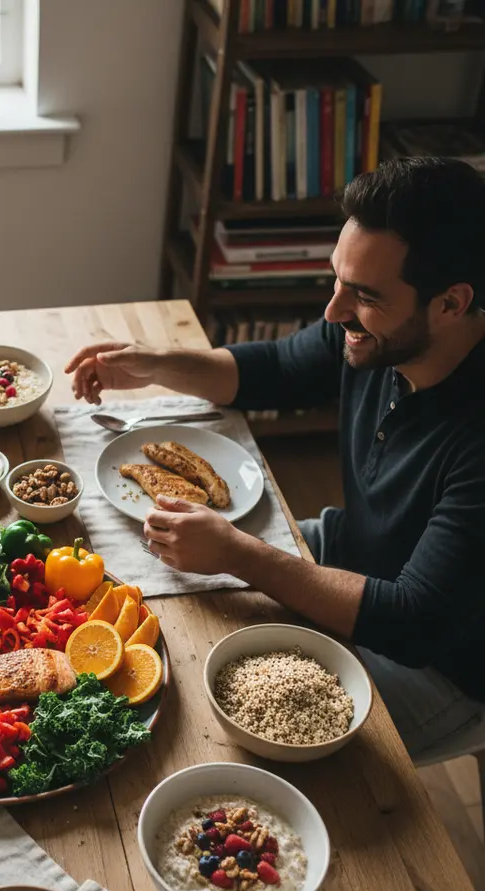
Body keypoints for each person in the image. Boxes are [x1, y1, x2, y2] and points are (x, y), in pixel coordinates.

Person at [66, 157, 485, 761]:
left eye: (363, 295)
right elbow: (279, 369)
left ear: (451, 303)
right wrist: (155, 363)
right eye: (337, 280)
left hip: (442, 666)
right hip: (351, 558)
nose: (334, 311)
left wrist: (239, 554)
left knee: (215, 724)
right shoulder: (374, 333)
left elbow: (414, 621)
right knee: (166, 605)